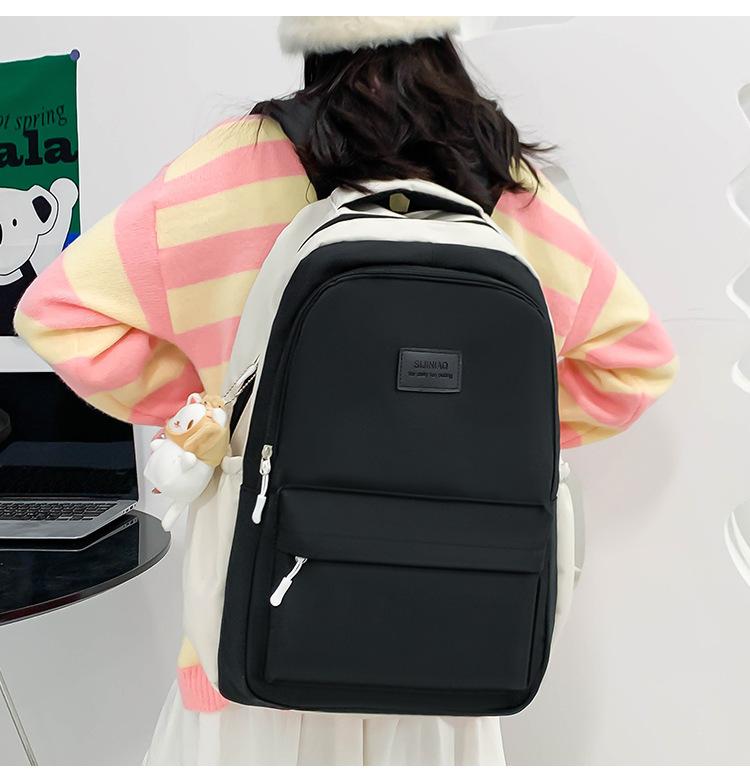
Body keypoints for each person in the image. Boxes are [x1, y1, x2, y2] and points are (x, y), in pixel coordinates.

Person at [14, 16, 677, 766]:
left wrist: (228, 417)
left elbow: (59, 313)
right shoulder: (497, 177)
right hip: (450, 651)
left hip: (256, 637)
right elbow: (634, 363)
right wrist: (489, 433)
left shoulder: (241, 160)